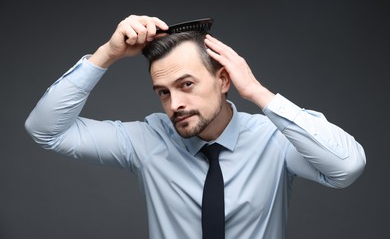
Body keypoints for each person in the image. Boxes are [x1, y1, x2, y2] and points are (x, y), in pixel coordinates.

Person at [25, 14, 366, 239]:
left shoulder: (273, 138)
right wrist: (107, 54)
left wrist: (259, 94)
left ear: (223, 80)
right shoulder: (147, 139)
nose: (175, 105)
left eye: (186, 84)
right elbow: (46, 130)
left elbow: (347, 167)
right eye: (163, 92)